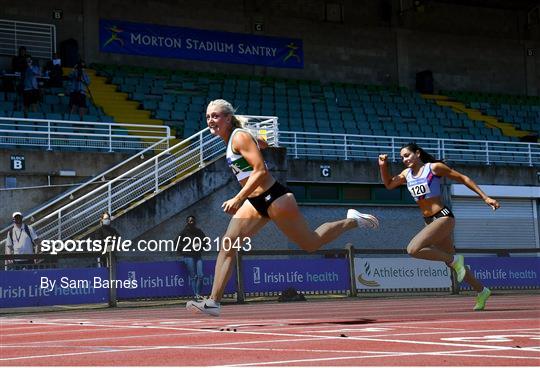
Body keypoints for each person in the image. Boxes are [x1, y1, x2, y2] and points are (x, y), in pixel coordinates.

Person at [186, 99, 379, 316]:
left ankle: (352, 220)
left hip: (275, 198)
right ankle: (214, 302)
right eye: (208, 117)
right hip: (256, 202)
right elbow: (260, 148)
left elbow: (260, 171)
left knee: (311, 244)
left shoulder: (238, 137)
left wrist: (238, 198)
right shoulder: (237, 137)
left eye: (215, 116)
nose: (211, 121)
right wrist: (259, 142)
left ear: (228, 118)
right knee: (228, 244)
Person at [378, 143, 500, 311]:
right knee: (453, 263)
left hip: (443, 217)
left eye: (407, 155)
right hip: (429, 221)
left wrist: (485, 198)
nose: (404, 160)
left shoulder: (434, 168)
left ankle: (454, 260)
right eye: (402, 158)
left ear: (417, 153)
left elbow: (463, 178)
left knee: (413, 249)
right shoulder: (406, 174)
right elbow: (389, 185)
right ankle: (482, 291)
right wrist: (383, 167)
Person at [177, 215, 206, 300]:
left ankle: (198, 294)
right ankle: (196, 295)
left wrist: (200, 247)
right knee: (194, 277)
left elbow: (205, 241)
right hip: (188, 256)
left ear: (195, 222)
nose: (191, 222)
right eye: (190, 221)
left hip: (198, 256)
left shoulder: (199, 231)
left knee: (201, 275)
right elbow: (176, 242)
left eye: (193, 221)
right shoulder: (184, 232)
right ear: (187, 222)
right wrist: (182, 251)